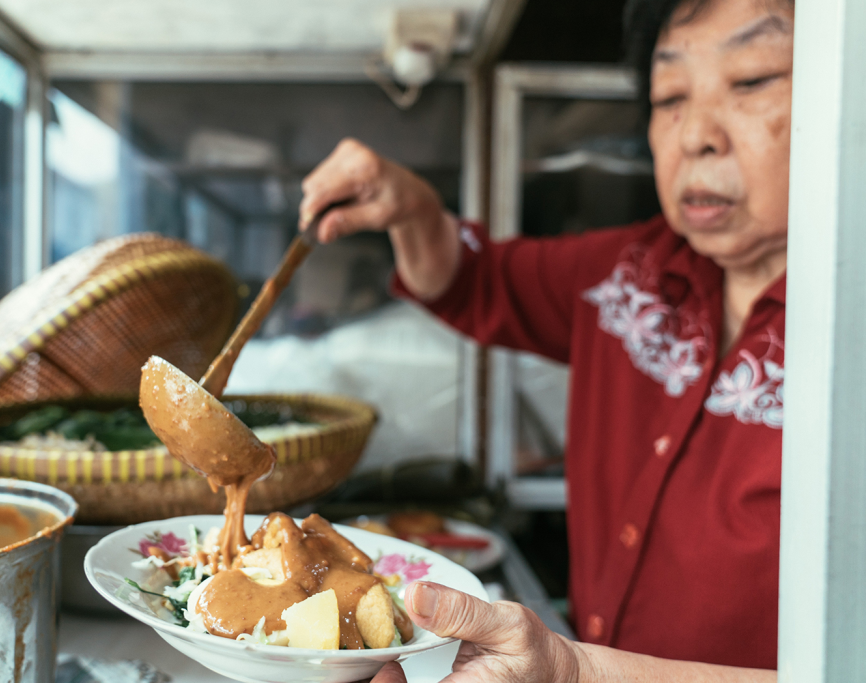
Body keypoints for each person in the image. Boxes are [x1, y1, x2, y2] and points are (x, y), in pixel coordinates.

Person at [299, 0, 794, 679]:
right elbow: (474, 279)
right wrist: (412, 210)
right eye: (669, 96)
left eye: (753, 80)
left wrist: (575, 671)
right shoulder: (630, 273)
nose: (695, 135)